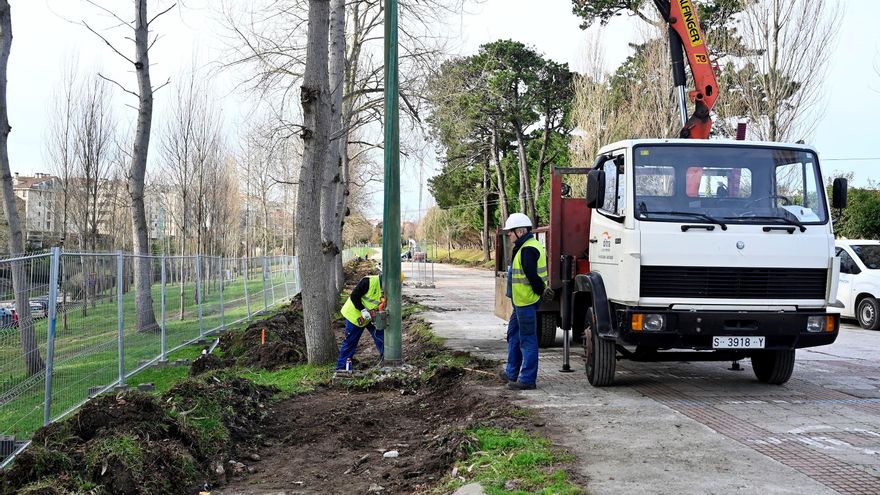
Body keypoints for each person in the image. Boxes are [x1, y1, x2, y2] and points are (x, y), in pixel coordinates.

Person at [501, 213, 552, 390]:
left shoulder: (528, 249)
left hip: (526, 303)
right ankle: (511, 372)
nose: (509, 235)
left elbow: (532, 277)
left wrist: (540, 292)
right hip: (520, 303)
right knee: (513, 335)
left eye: (511, 231)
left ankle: (528, 379)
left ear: (521, 231)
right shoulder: (524, 246)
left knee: (527, 340)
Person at [336, 271, 403, 371]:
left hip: (372, 316)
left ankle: (387, 363)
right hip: (355, 315)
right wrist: (363, 310)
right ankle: (341, 369)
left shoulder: (388, 289)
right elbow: (354, 296)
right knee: (350, 342)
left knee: (382, 338)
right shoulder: (368, 281)